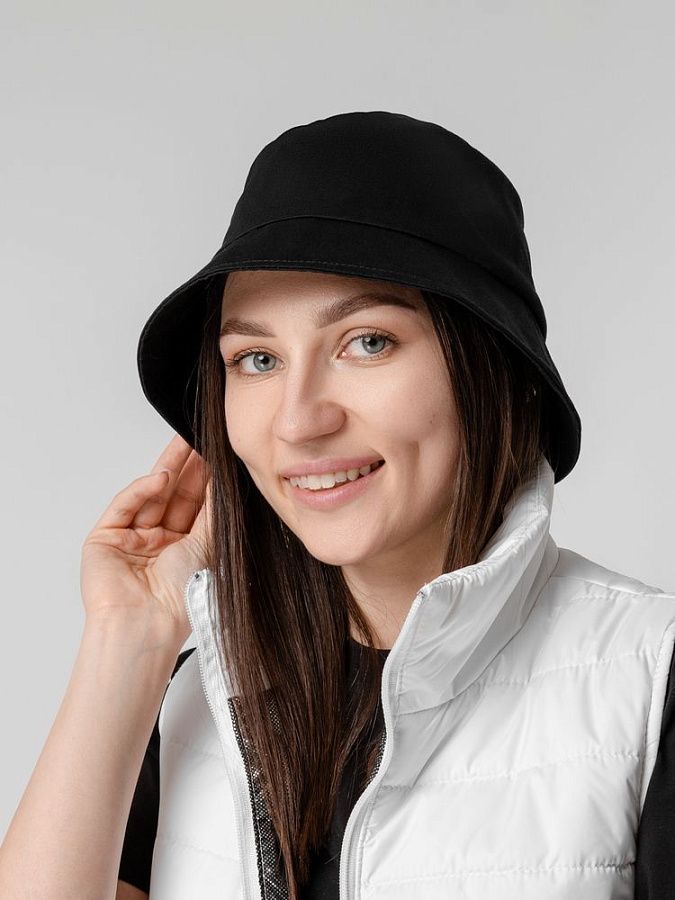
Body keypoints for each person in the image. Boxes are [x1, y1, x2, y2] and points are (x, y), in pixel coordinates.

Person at [0, 112, 673, 900]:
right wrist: (129, 637)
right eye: (257, 359)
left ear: (493, 371)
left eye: (367, 342)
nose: (298, 421)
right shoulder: (193, 696)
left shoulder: (649, 676)